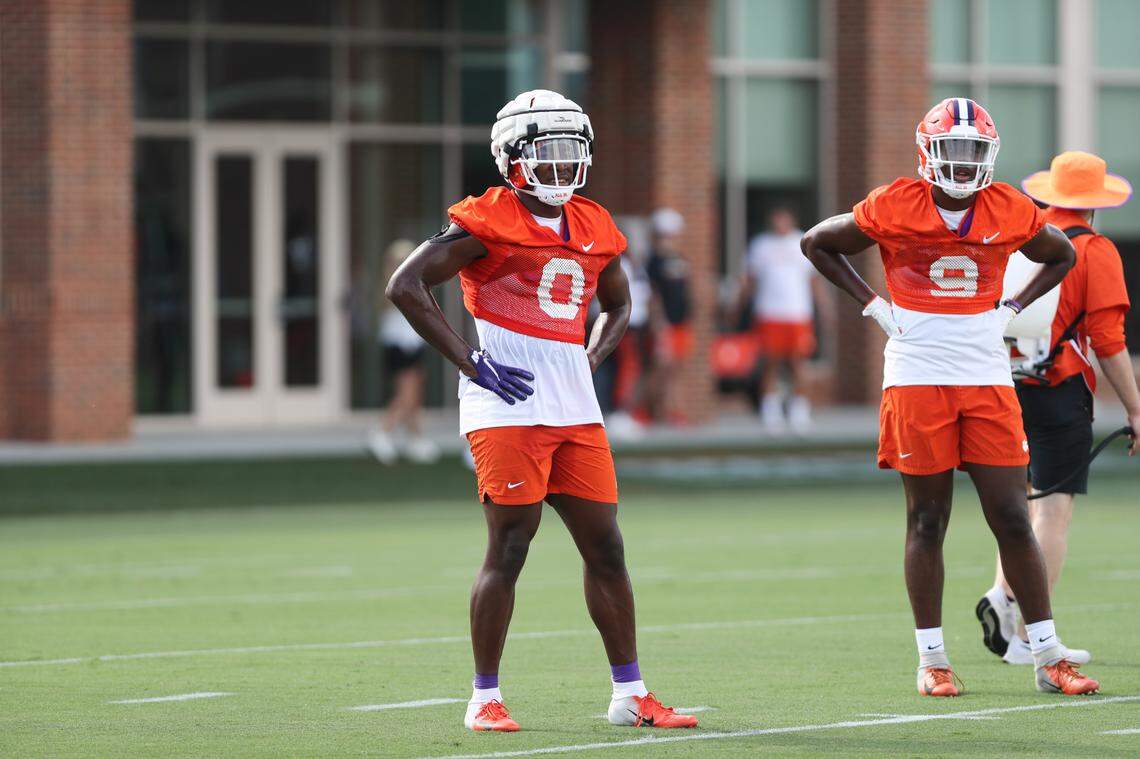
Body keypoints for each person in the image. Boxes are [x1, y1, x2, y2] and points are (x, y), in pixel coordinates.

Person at [386, 89, 697, 733]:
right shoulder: (485, 221)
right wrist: (469, 362)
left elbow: (617, 304)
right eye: (547, 153)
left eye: (570, 152)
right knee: (510, 547)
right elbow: (406, 285)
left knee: (607, 548)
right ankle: (484, 697)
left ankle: (630, 693)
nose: (561, 167)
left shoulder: (594, 222)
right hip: (506, 407)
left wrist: (591, 358)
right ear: (512, 157)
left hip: (574, 408)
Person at [801, 97, 1099, 696]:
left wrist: (1011, 309)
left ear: (987, 156)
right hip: (916, 373)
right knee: (928, 519)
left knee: (1013, 516)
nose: (962, 164)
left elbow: (1061, 253)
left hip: (986, 374)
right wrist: (874, 304)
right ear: (927, 152)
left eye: (972, 152)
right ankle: (932, 659)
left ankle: (1046, 655)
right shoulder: (895, 203)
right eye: (951, 150)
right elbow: (817, 242)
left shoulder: (1008, 206)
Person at [977, 151, 1140, 665]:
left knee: (1020, 504)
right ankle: (1028, 632)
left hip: (1002, 385)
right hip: (1059, 390)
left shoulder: (1017, 240)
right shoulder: (1095, 251)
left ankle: (1002, 594)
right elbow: (1109, 340)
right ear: (1095, 204)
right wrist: (1135, 409)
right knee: (1052, 512)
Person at [742, 207, 824, 432]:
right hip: (769, 312)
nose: (780, 223)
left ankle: (799, 412)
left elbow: (813, 280)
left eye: (783, 219)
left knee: (798, 363)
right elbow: (750, 280)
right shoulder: (761, 245)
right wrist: (739, 306)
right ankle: (771, 411)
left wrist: (823, 308)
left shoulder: (802, 241)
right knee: (771, 362)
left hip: (797, 313)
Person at [368, 239, 439, 464]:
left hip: (412, 343)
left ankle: (415, 439)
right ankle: (382, 433)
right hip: (401, 345)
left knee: (415, 394)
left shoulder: (406, 282)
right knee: (406, 395)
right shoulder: (398, 284)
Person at [645, 208, 692, 424]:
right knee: (660, 367)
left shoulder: (679, 257)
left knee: (676, 368)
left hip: (681, 321)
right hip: (665, 322)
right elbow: (653, 294)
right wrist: (658, 320)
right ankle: (645, 411)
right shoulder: (654, 261)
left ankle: (673, 411)